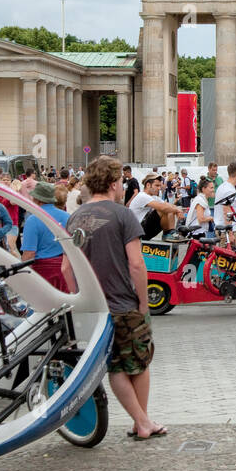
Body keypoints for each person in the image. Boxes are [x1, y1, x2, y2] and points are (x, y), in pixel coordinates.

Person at [63, 157, 166, 440]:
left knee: (115, 366)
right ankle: (143, 422)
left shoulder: (75, 217)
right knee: (140, 361)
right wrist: (143, 302)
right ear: (112, 184)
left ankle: (140, 421)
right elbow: (136, 264)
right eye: (121, 181)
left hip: (96, 308)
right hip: (123, 303)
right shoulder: (122, 215)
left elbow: (66, 267)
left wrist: (81, 300)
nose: (123, 187)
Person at [21, 181, 70, 291]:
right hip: (66, 269)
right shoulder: (67, 216)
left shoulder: (33, 220)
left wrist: (22, 275)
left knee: (45, 307)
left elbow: (29, 254)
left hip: (43, 271)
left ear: (37, 200)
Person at [130, 172, 185, 240]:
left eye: (159, 186)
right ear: (148, 185)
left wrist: (177, 210)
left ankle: (170, 233)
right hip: (137, 232)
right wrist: (178, 210)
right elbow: (163, 207)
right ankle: (168, 234)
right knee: (163, 208)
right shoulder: (142, 196)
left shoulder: (153, 197)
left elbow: (169, 205)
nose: (159, 188)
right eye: (157, 185)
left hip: (143, 230)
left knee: (169, 208)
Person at [213, 161, 236, 246]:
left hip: (224, 229)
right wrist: (230, 234)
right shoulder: (229, 190)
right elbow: (227, 211)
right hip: (227, 231)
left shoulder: (223, 187)